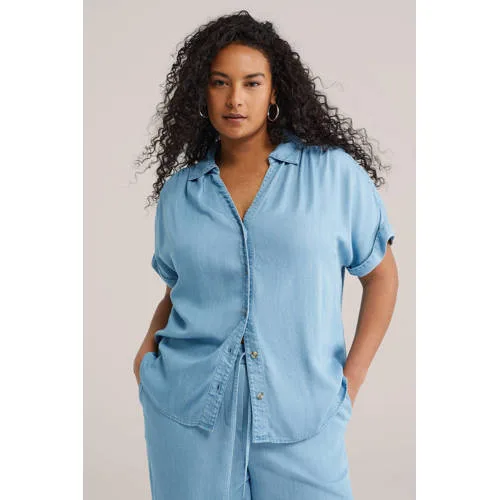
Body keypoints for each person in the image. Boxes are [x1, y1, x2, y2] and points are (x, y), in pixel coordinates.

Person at [132, 10, 399, 500]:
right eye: (220, 83)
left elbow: (381, 277)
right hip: (187, 417)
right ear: (202, 92)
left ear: (274, 91)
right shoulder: (180, 193)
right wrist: (145, 359)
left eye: (252, 83)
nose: (235, 99)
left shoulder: (332, 176)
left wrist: (349, 383)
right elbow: (178, 290)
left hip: (305, 418)